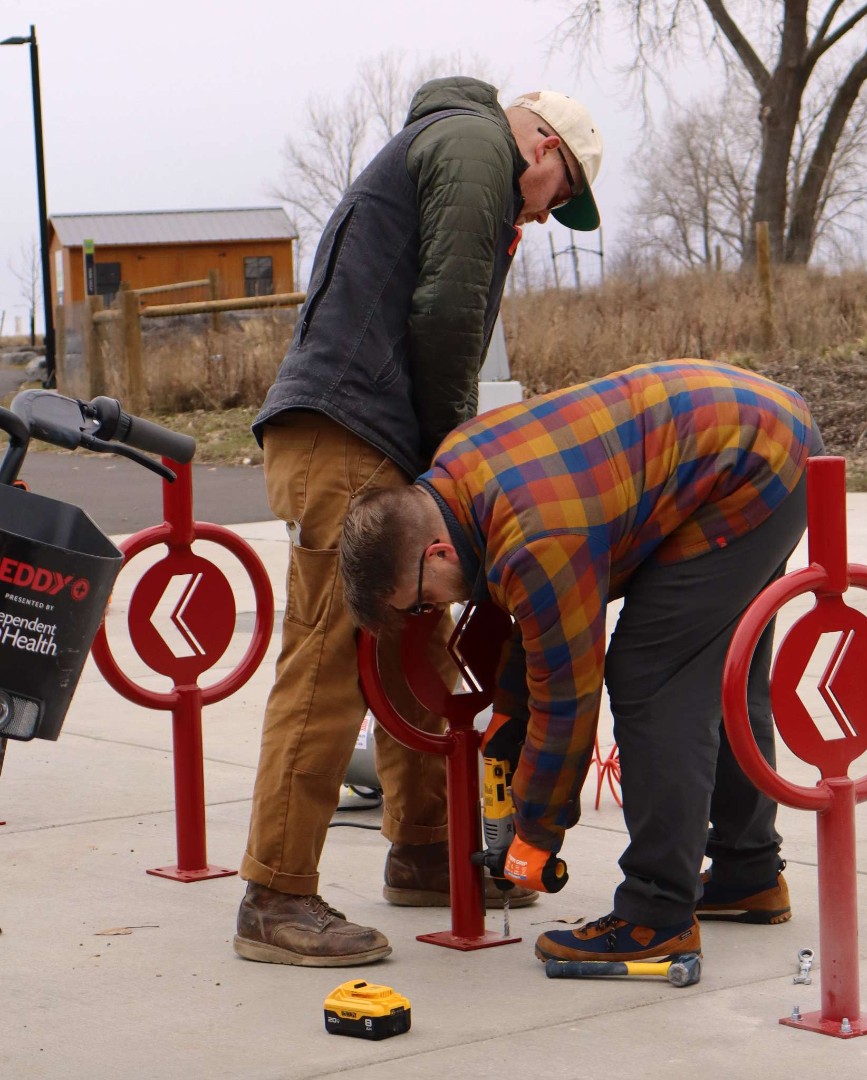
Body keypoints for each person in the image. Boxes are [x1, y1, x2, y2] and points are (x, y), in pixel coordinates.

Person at [233, 76, 604, 967]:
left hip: (360, 428)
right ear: (544, 148)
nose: (551, 216)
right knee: (329, 657)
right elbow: (447, 313)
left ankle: (426, 847)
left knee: (408, 639)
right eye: (565, 197)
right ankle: (275, 893)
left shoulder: (452, 149)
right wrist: (455, 462)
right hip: (350, 431)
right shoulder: (482, 150)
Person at [338, 359, 825, 964]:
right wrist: (508, 730)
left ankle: (656, 916)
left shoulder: (539, 540)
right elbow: (536, 631)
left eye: (422, 600)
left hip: (750, 463)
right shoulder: (457, 468)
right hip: (752, 428)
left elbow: (567, 695)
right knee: (724, 669)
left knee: (655, 680)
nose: (434, 610)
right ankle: (748, 872)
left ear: (437, 553)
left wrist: (536, 833)